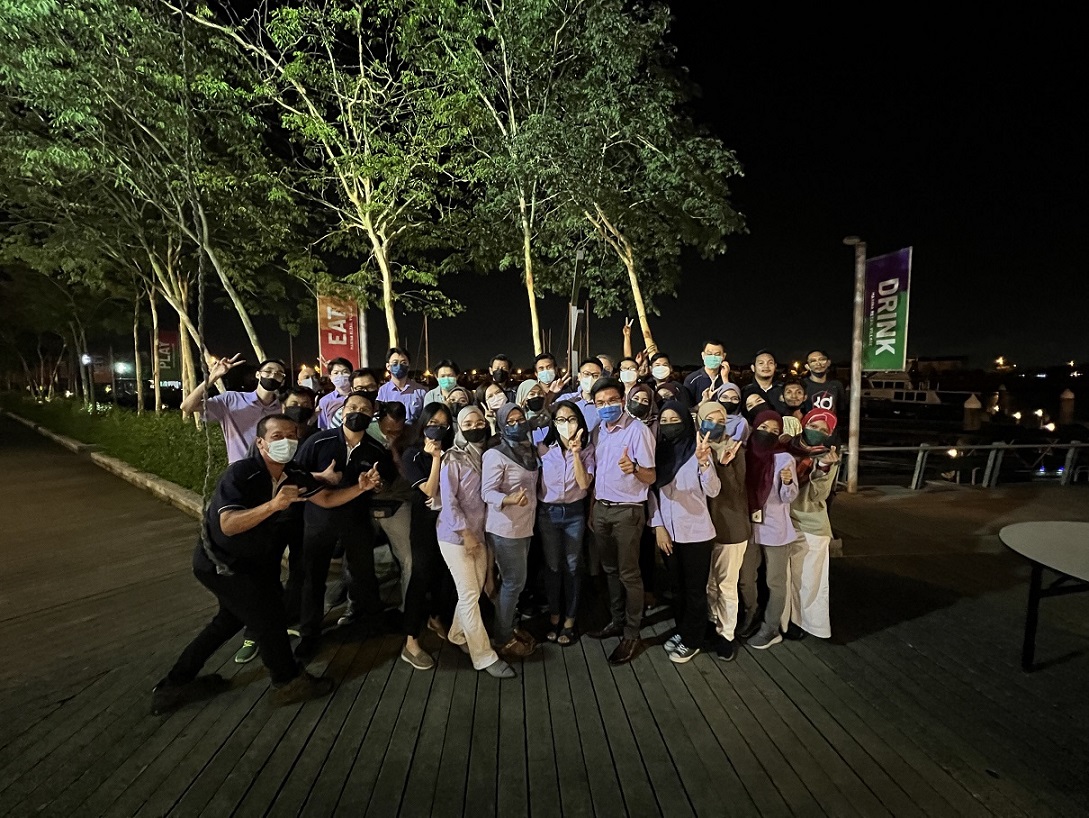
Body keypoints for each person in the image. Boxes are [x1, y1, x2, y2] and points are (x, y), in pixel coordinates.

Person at [151, 415, 378, 714]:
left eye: (291, 435)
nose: (286, 442)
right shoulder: (241, 473)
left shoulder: (293, 472)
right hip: (223, 565)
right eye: (277, 436)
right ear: (260, 443)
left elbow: (324, 498)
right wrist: (273, 505)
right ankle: (287, 682)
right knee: (269, 619)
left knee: (227, 622)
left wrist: (359, 488)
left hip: (255, 564)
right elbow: (228, 524)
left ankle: (174, 684)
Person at [292, 391, 396, 661]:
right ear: (342, 410)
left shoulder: (375, 449)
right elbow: (293, 473)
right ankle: (309, 633)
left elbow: (385, 481)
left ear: (372, 415)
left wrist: (378, 484)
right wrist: (320, 477)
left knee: (364, 573)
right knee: (313, 577)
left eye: (364, 409)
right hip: (319, 519)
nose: (357, 413)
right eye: (352, 407)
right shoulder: (319, 440)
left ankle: (373, 619)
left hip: (356, 519)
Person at [437, 406, 517, 679]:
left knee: (474, 590)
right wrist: (466, 534)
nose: (475, 427)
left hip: (481, 533)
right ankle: (483, 656)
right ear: (460, 428)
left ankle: (458, 634)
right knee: (469, 594)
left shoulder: (491, 455)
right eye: (468, 423)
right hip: (455, 536)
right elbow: (449, 502)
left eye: (479, 422)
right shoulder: (453, 458)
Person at [588, 378, 656, 665]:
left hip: (628, 511)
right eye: (600, 403)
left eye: (612, 400)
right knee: (610, 569)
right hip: (601, 508)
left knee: (629, 573)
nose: (607, 406)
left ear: (623, 400)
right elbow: (597, 473)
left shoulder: (638, 431)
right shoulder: (598, 431)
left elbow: (651, 476)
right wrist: (593, 509)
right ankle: (616, 620)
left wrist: (635, 468)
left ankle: (632, 632)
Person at [651, 401, 720, 663]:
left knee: (694, 591)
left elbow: (713, 490)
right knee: (677, 588)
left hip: (696, 533)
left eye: (675, 420)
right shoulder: (659, 452)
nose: (669, 426)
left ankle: (693, 640)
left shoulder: (697, 450)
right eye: (664, 421)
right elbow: (652, 493)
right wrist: (658, 526)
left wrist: (704, 463)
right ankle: (683, 631)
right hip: (668, 534)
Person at [394, 402, 458, 670]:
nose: (437, 429)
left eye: (443, 425)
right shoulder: (412, 454)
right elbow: (429, 491)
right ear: (423, 424)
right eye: (433, 423)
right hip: (424, 523)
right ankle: (410, 641)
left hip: (449, 521)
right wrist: (435, 458)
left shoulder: (453, 451)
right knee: (421, 576)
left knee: (445, 573)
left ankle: (436, 618)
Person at [481, 403, 540, 660]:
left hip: (525, 525)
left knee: (514, 582)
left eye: (520, 419)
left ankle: (508, 625)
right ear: (502, 426)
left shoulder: (528, 449)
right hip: (505, 527)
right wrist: (508, 499)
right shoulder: (495, 455)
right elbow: (487, 492)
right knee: (513, 582)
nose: (517, 425)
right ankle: (503, 637)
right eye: (510, 422)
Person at [536, 400, 595, 646]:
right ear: (554, 423)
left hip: (574, 512)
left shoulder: (588, 450)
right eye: (560, 420)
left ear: (579, 422)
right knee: (552, 566)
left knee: (572, 565)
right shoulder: (542, 448)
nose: (566, 424)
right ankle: (554, 614)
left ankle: (570, 619)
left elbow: (583, 484)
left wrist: (576, 453)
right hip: (548, 513)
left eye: (571, 419)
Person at [699, 397, 751, 661]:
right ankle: (712, 621)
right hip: (701, 529)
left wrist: (723, 464)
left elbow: (736, 490)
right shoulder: (694, 447)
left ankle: (727, 634)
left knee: (726, 584)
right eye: (709, 419)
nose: (715, 424)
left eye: (721, 420)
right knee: (709, 583)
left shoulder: (734, 449)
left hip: (730, 528)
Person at [782, 409, 840, 640]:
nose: (817, 432)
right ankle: (785, 620)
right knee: (783, 578)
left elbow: (818, 495)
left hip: (810, 524)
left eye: (824, 430)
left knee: (809, 580)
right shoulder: (785, 447)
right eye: (813, 426)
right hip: (781, 522)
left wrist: (823, 468)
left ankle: (806, 624)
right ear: (804, 424)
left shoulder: (826, 457)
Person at [744, 409, 799, 650]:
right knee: (746, 578)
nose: (768, 433)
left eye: (775, 430)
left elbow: (789, 497)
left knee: (775, 581)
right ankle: (749, 617)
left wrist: (787, 482)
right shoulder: (744, 454)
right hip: (749, 527)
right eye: (764, 427)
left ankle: (770, 628)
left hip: (776, 528)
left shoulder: (784, 458)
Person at [179, 354, 284, 463]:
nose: (273, 375)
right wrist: (213, 377)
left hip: (273, 468)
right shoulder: (231, 400)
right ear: (258, 374)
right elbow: (187, 406)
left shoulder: (283, 409)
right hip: (240, 469)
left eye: (279, 374)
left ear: (283, 381)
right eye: (268, 371)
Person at [377, 347, 427, 423]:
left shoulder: (421, 391)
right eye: (395, 363)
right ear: (388, 366)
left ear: (409, 366)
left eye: (404, 363)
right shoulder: (382, 391)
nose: (399, 366)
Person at [556, 358, 603, 432]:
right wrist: (550, 395)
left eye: (595, 375)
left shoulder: (604, 403)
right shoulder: (566, 399)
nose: (590, 378)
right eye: (586, 374)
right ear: (579, 376)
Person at [803, 349, 847, 421]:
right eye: (813, 361)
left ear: (828, 362)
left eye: (822, 359)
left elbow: (841, 410)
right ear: (807, 366)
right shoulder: (802, 385)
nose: (818, 363)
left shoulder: (837, 385)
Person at [683, 339, 729, 405]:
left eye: (717, 354)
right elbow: (687, 408)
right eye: (709, 354)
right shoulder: (692, 379)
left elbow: (731, 401)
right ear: (703, 355)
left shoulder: (728, 376)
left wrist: (725, 378)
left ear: (723, 356)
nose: (713, 357)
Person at [316, 357, 355, 430]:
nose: (340, 375)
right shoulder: (324, 401)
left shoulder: (359, 397)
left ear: (351, 375)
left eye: (345, 372)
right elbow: (324, 428)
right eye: (336, 373)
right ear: (330, 377)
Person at [742, 349, 786, 413]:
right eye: (761, 363)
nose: (766, 366)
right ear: (753, 368)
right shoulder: (745, 391)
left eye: (770, 363)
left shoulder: (784, 389)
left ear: (775, 366)